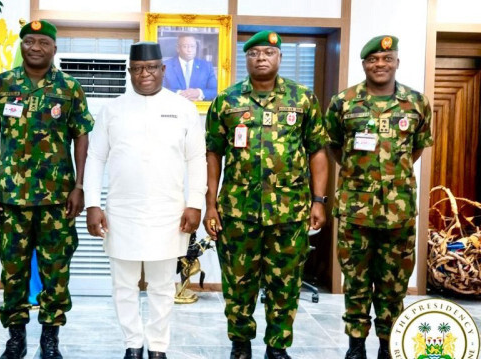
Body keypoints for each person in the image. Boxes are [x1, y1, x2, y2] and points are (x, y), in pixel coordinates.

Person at [203, 30, 330, 359]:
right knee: (238, 283)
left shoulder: (302, 99)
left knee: (285, 284)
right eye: (254, 53)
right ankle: (240, 345)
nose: (261, 58)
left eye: (268, 53)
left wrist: (319, 200)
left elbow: (317, 151)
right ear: (245, 59)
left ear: (279, 58)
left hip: (290, 212)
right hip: (237, 212)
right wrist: (211, 205)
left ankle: (277, 348)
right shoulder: (227, 101)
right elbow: (213, 154)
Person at [0, 20, 94, 359]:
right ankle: (15, 338)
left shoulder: (69, 88)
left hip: (57, 198)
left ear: (54, 48)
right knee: (13, 269)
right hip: (10, 198)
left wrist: (80, 185)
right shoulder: (1, 85)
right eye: (30, 41)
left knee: (56, 269)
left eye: (43, 42)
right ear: (22, 45)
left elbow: (81, 136)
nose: (36, 47)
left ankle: (50, 339)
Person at [84, 41, 207, 359]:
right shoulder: (112, 109)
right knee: (123, 285)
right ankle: (132, 344)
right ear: (129, 71)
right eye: (137, 68)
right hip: (122, 212)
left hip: (168, 212)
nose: (145, 74)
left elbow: (197, 160)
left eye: (151, 67)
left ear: (163, 70)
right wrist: (92, 204)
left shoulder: (183, 109)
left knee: (162, 285)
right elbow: (95, 159)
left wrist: (195, 203)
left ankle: (158, 347)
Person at [325, 35, 433, 359]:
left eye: (387, 59)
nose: (380, 65)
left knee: (394, 283)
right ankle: (355, 346)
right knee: (355, 281)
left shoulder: (416, 102)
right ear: (364, 64)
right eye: (374, 60)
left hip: (398, 212)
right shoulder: (343, 101)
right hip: (355, 209)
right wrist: (358, 175)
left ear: (397, 62)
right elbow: (333, 145)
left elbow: (417, 147)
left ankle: (388, 346)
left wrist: (391, 177)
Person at [163, 33, 218, 101]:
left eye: (192, 46)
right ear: (178, 48)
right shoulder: (165, 66)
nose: (189, 50)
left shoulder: (206, 66)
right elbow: (159, 90)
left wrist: (199, 93)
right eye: (185, 46)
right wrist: (178, 93)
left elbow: (215, 91)